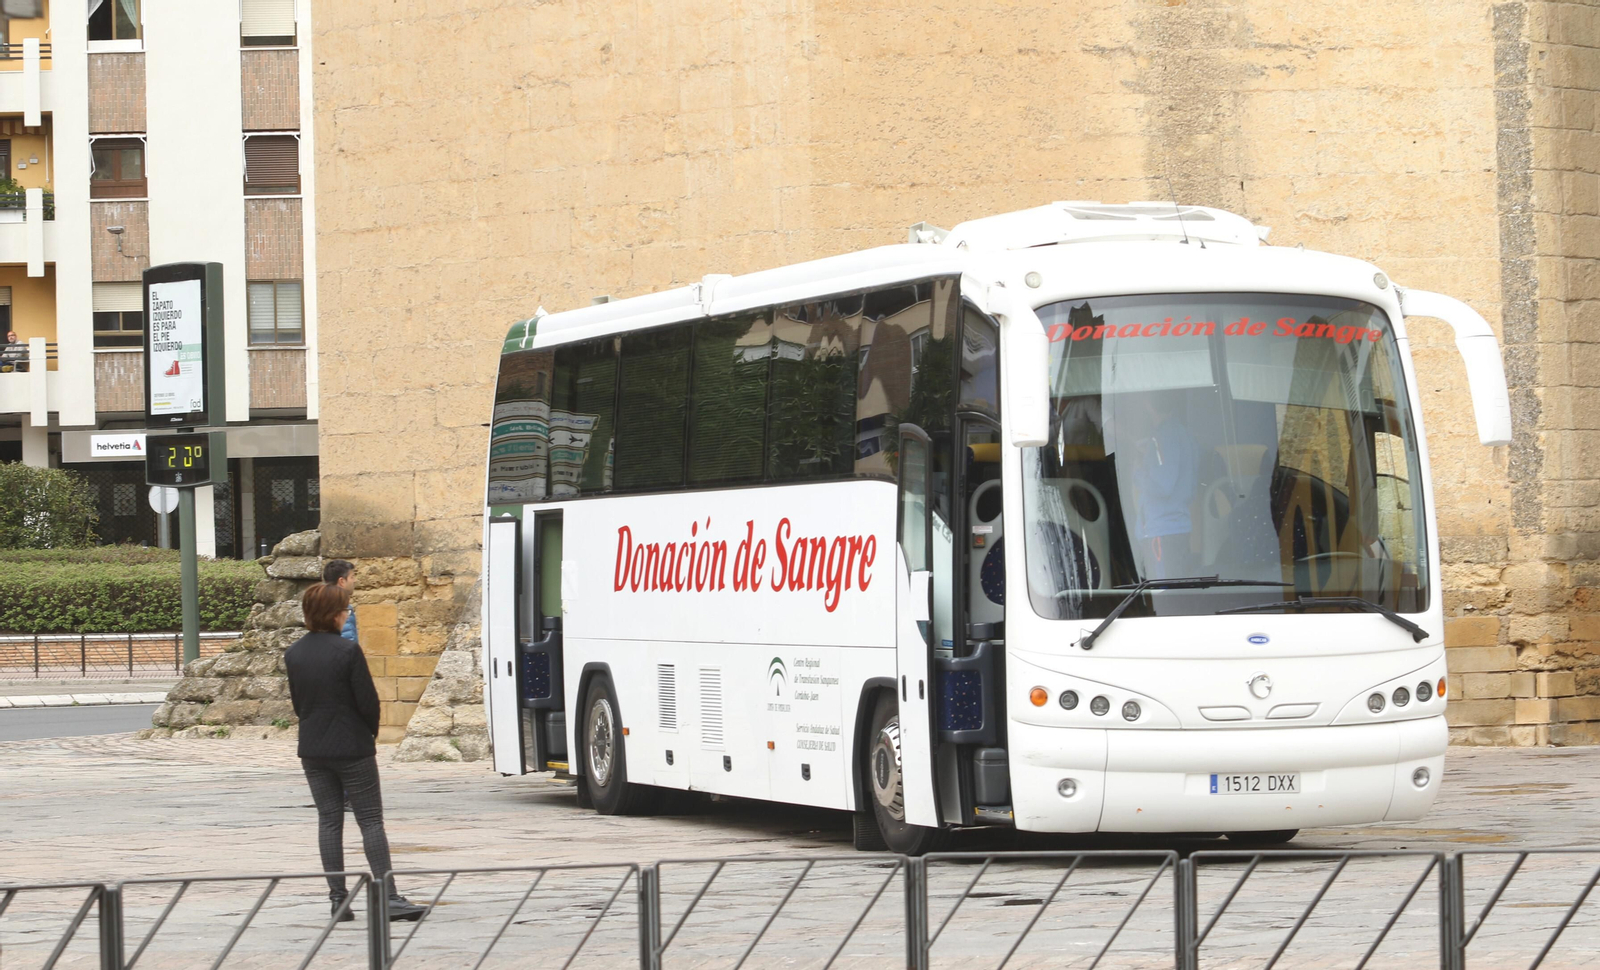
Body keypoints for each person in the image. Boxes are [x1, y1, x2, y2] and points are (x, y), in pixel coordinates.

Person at [284, 582, 426, 923]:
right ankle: (388, 897)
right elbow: (367, 701)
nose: (347, 614)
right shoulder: (348, 651)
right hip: (351, 745)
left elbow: (299, 703)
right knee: (371, 820)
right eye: (345, 610)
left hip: (313, 746)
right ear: (334, 614)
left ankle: (338, 899)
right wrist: (369, 733)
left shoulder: (294, 653)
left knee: (329, 821)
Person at [1128, 391, 1199, 579]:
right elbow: (1191, 486)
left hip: (1160, 530)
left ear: (1148, 405)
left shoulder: (1161, 436)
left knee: (1162, 590)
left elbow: (1161, 486)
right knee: (1179, 588)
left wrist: (1138, 470)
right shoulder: (1185, 434)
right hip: (1180, 527)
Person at [323, 559, 358, 641]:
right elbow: (348, 641)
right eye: (352, 577)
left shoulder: (322, 604)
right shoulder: (341, 608)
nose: (354, 580)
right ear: (342, 581)